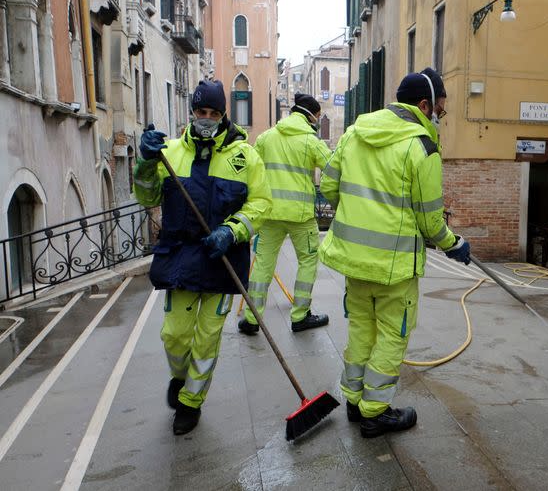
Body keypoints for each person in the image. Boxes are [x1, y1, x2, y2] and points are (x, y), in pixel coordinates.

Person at [319, 68, 471, 438]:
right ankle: (376, 412)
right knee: (391, 335)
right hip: (394, 268)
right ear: (424, 105)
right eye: (441, 110)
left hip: (354, 261)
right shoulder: (422, 147)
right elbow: (431, 220)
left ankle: (354, 400)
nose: (440, 117)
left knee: (360, 329)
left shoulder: (354, 132)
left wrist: (356, 213)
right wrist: (455, 245)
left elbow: (327, 185)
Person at [133, 79, 270, 435]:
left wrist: (233, 230)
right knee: (175, 336)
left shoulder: (246, 157)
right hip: (180, 257)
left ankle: (191, 403)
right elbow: (147, 198)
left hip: (221, 260)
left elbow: (261, 204)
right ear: (192, 113)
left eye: (213, 112)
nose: (206, 118)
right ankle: (179, 378)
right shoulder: (171, 152)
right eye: (201, 112)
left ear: (224, 114)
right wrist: (145, 165)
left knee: (207, 338)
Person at [237, 93, 332, 335]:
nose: (317, 121)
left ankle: (251, 319)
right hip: (301, 217)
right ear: (309, 116)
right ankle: (300, 316)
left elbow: (251, 169)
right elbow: (333, 168)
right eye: (318, 117)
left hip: (270, 215)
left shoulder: (266, 138)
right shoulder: (311, 141)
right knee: (308, 262)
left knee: (263, 263)